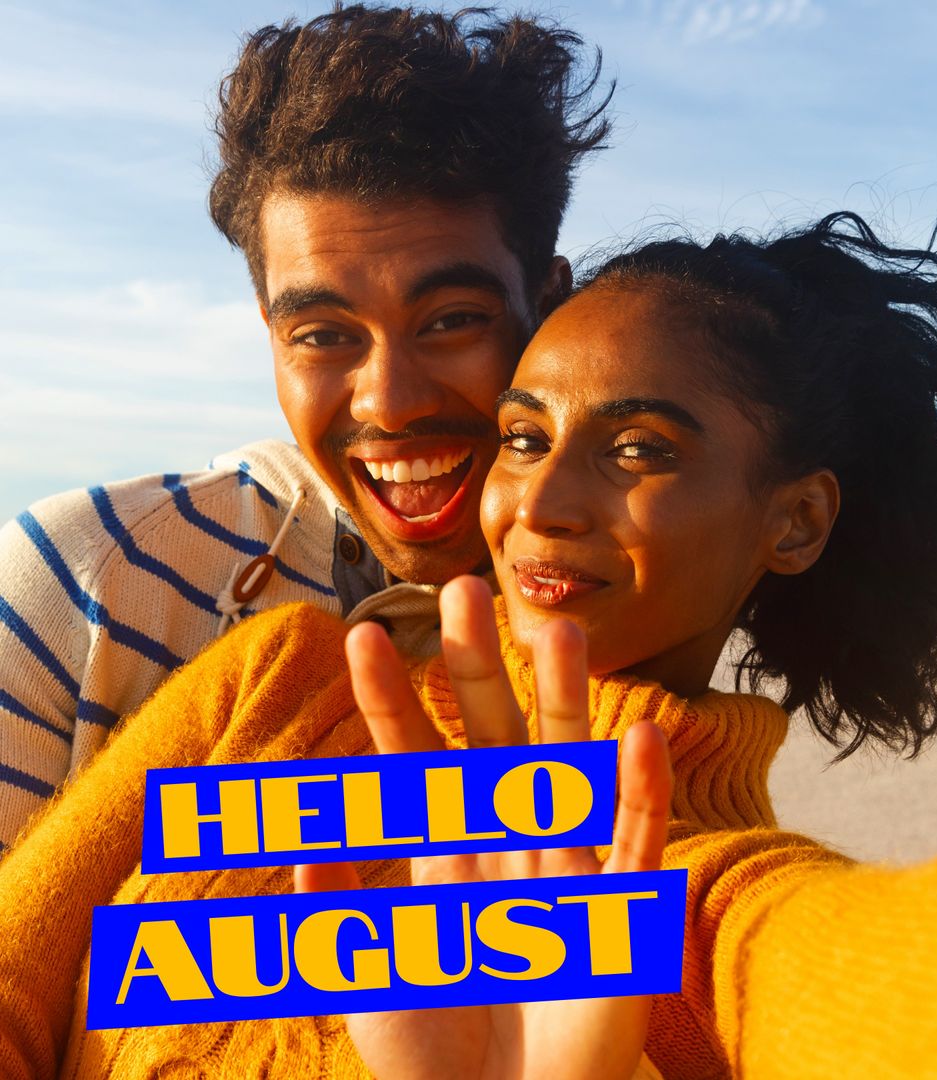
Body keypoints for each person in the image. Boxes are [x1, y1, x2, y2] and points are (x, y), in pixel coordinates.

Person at [2, 214, 937, 1080]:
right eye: (524, 437)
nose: (542, 503)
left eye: (640, 450)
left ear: (793, 522)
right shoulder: (280, 687)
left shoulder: (699, 895)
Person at [0, 4, 612, 850]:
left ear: (545, 306)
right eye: (323, 335)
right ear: (270, 334)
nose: (387, 404)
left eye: (451, 320)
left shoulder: (622, 597)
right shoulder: (85, 578)